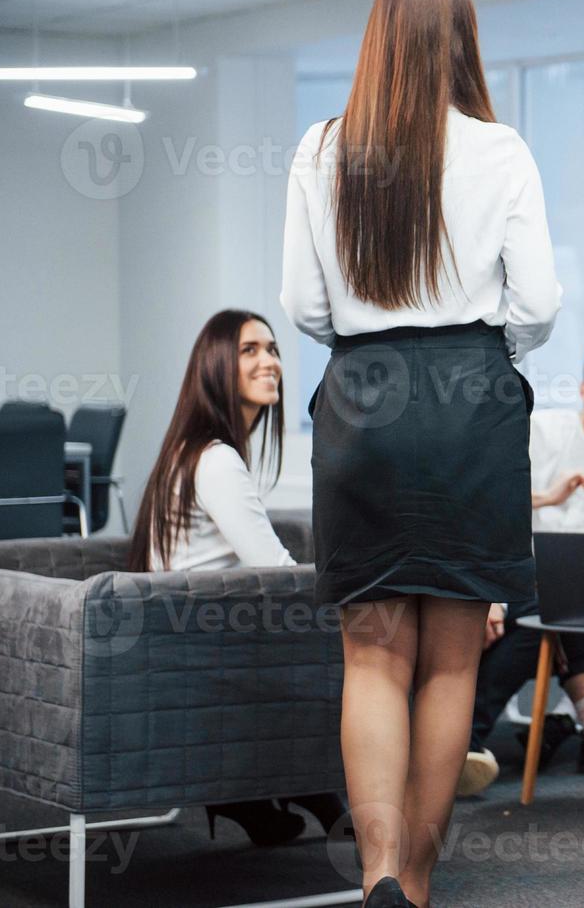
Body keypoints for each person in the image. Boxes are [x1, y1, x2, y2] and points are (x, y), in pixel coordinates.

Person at [280, 0, 562, 908]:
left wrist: (375, 346)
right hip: (467, 399)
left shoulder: (320, 149)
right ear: (459, 42)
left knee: (371, 652)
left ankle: (377, 876)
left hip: (361, 397)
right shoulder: (501, 148)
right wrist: (481, 352)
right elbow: (539, 305)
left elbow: (304, 308)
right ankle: (424, 882)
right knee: (451, 659)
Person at [128, 308, 347, 847]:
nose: (269, 361)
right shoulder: (217, 459)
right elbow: (275, 571)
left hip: (183, 640)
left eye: (271, 349)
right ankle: (324, 789)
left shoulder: (192, 450)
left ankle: (270, 794)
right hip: (200, 652)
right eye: (250, 350)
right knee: (360, 636)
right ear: (216, 366)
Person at [460, 336, 584, 795]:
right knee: (545, 601)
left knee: (551, 605)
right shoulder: (542, 432)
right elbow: (488, 501)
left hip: (580, 598)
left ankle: (466, 741)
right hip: (507, 578)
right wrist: (487, 594)